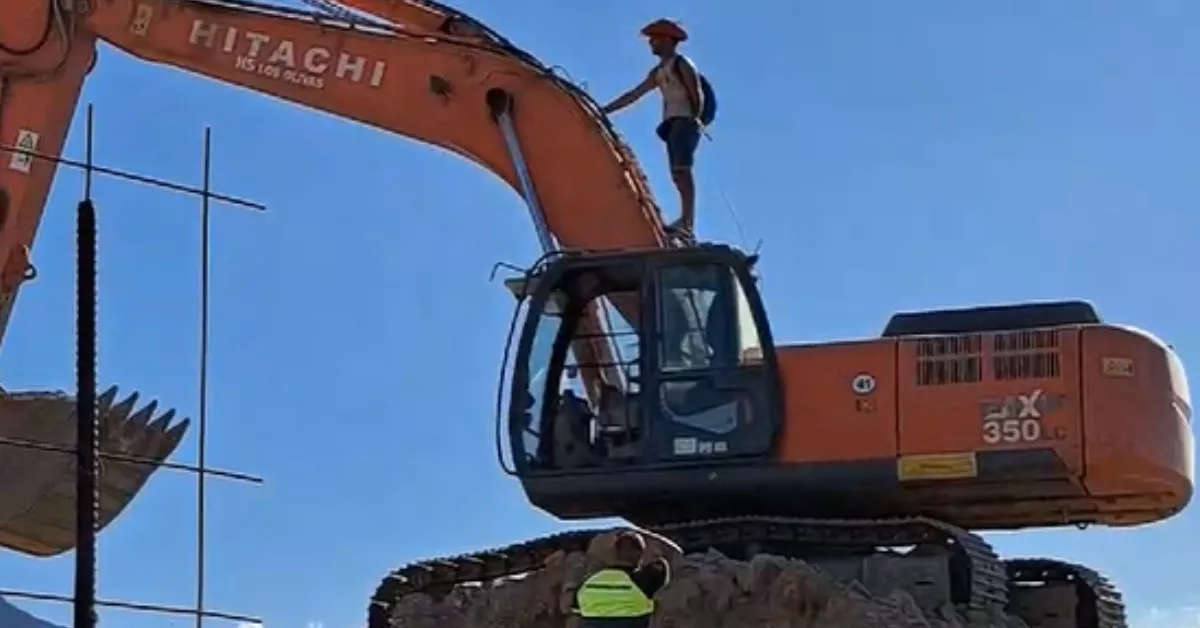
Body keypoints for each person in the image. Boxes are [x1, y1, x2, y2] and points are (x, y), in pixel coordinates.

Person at [602, 18, 706, 241]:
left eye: (655, 39)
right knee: (677, 173)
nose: (651, 43)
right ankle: (685, 221)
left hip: (684, 121)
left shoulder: (682, 64)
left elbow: (696, 93)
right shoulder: (658, 72)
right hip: (672, 123)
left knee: (682, 170)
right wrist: (605, 110)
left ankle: (688, 222)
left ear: (667, 39)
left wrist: (695, 119)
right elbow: (634, 94)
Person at [573, 530, 671, 628]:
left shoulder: (588, 582)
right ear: (639, 554)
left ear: (615, 552)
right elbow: (661, 564)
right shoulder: (643, 580)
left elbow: (576, 610)